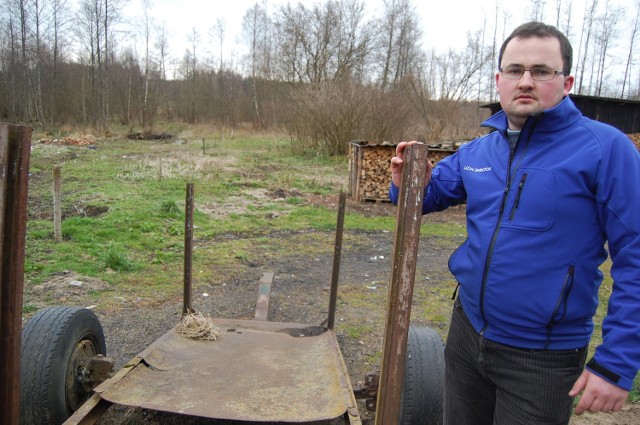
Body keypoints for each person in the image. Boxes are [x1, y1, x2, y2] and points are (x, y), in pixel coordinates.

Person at [389, 21, 640, 425]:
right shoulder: (480, 148)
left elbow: (637, 256)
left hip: (541, 357)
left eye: (541, 71)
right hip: (466, 336)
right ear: (499, 80)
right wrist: (405, 184)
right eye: (514, 70)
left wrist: (616, 362)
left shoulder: (605, 149)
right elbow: (425, 198)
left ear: (567, 81)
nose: (525, 81)